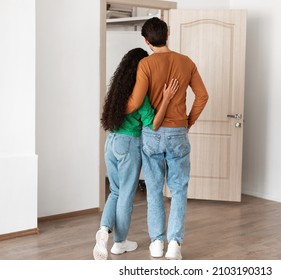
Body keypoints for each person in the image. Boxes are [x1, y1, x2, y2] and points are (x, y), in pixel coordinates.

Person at [125, 17, 209, 260]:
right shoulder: (187, 63)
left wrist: (116, 109)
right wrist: (187, 122)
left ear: (146, 41)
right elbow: (202, 96)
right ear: (168, 34)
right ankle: (174, 244)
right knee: (179, 189)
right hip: (177, 132)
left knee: (153, 189)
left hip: (151, 133)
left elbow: (136, 101)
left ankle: (156, 243)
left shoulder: (145, 65)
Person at [93, 47, 179, 260]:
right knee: (126, 196)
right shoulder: (140, 95)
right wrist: (167, 98)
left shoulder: (117, 90)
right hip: (129, 144)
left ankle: (104, 230)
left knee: (114, 191)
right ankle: (119, 243)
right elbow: (154, 123)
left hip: (111, 141)